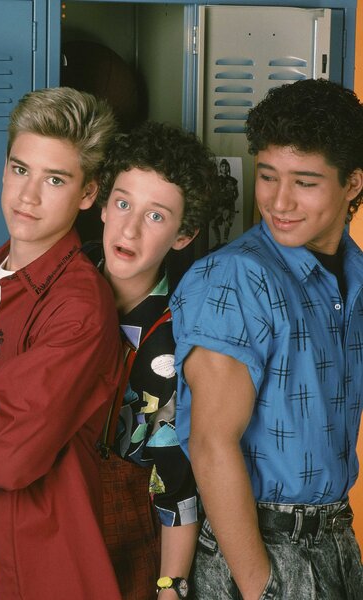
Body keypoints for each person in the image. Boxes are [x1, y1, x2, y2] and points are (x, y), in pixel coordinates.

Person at [169, 78, 363, 599]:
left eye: (304, 182)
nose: (278, 201)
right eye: (268, 176)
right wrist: (262, 586)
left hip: (335, 544)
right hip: (257, 552)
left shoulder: (356, 276)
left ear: (353, 184)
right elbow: (211, 446)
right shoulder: (235, 279)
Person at [0, 87, 123, 599]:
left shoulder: (79, 305)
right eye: (20, 169)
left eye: (55, 179)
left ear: (88, 194)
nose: (28, 196)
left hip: (22, 562)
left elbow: (9, 458)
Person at [83, 121, 219, 599]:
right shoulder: (60, 282)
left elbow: (177, 487)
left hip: (128, 544)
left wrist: (170, 587)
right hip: (37, 527)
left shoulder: (178, 340)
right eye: (122, 203)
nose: (130, 228)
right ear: (101, 203)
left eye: (156, 216)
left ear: (183, 236)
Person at [211, 158, 239, 247]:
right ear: (220, 168)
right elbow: (213, 193)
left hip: (229, 204)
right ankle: (218, 242)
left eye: (226, 166)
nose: (224, 168)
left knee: (227, 223)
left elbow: (237, 194)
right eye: (222, 166)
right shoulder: (216, 180)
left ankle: (225, 241)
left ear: (228, 168)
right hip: (218, 205)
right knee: (213, 224)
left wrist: (231, 202)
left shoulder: (233, 180)